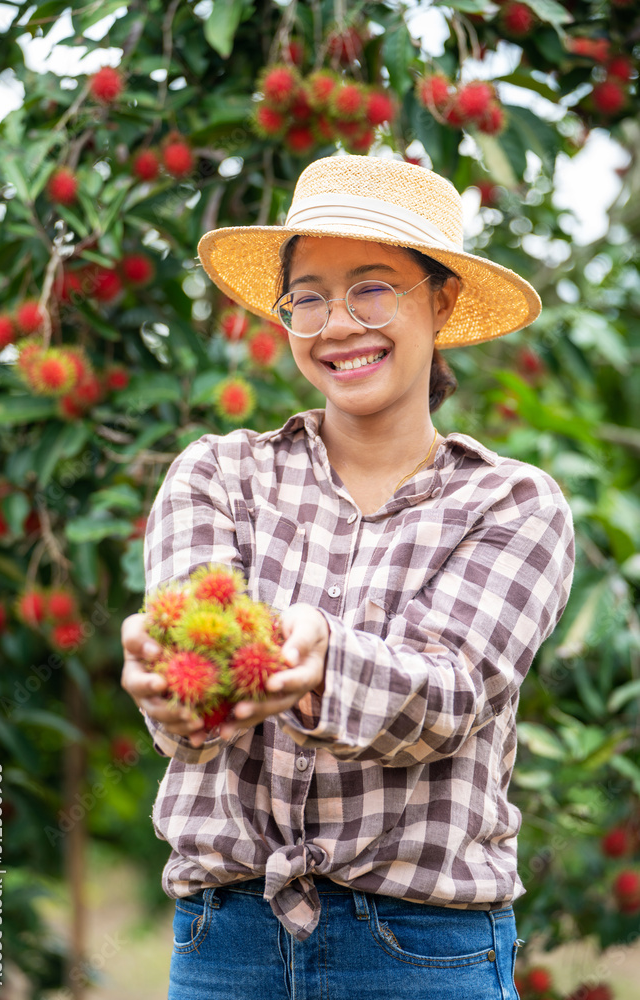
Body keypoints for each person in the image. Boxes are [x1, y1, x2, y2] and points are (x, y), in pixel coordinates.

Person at [121, 154, 575, 1000]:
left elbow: (446, 699)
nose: (338, 323)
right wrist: (168, 682)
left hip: (425, 952)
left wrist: (322, 656)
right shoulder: (217, 474)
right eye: (311, 296)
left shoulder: (513, 503)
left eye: (373, 288)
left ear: (440, 302)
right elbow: (191, 699)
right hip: (227, 945)